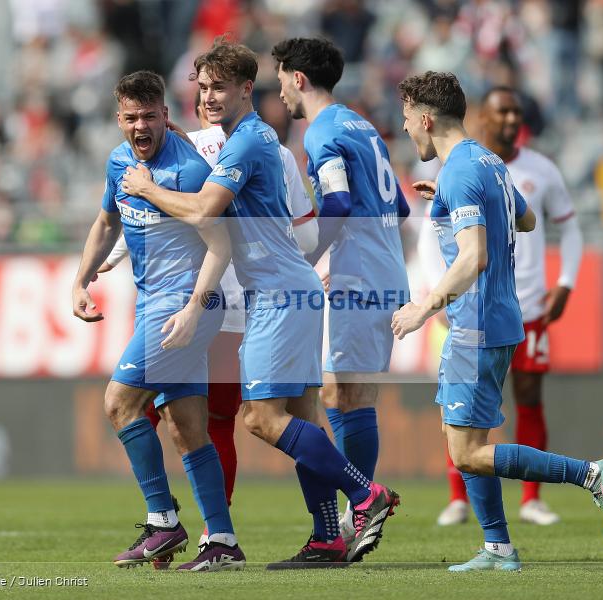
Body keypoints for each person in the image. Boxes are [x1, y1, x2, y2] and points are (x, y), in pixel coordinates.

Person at [120, 37, 400, 569]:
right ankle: (326, 538)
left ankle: (366, 495)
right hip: (292, 288)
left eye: (219, 88)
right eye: (202, 88)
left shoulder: (248, 141)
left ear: (248, 89)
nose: (208, 97)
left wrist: (146, 188)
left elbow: (205, 209)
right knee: (302, 420)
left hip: (275, 294)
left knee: (259, 419)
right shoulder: (250, 139)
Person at [392, 71, 603, 572]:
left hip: (474, 322)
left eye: (409, 121)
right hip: (498, 319)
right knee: (465, 441)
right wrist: (449, 198)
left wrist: (423, 306)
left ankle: (592, 475)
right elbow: (526, 220)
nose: (409, 131)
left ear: (428, 119)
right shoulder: (489, 163)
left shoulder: (462, 171)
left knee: (467, 452)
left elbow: (473, 255)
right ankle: (497, 548)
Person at [99, 91, 319, 562]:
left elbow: (175, 215)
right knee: (199, 423)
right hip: (254, 305)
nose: (207, 102)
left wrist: (109, 260)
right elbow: (307, 233)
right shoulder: (274, 150)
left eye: (210, 91)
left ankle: (172, 524)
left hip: (211, 301)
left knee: (179, 416)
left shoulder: (194, 149)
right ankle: (222, 536)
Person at [71, 70, 244, 572]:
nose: (140, 125)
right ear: (118, 119)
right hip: (155, 305)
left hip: (183, 306)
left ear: (166, 116)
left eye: (150, 115)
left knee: (120, 404)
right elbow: (107, 222)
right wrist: (80, 281)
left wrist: (194, 308)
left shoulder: (188, 171)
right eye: (131, 117)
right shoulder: (120, 161)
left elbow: (221, 244)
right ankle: (224, 542)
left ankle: (163, 522)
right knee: (187, 428)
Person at [272, 37, 410, 541]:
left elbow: (338, 203)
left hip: (359, 277)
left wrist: (306, 260)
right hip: (384, 269)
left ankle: (360, 512)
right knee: (349, 395)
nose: (279, 88)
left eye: (281, 77)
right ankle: (359, 514)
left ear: (298, 78)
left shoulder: (321, 131)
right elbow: (399, 208)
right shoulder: (362, 125)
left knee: (337, 394)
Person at [436, 86, 585, 527]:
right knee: (464, 413)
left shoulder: (535, 169)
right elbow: (443, 236)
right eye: (503, 111)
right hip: (479, 302)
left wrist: (567, 283)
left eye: (517, 111)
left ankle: (532, 500)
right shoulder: (478, 166)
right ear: (483, 114)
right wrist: (439, 291)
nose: (511, 119)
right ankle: (463, 504)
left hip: (525, 302)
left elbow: (568, 228)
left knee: (515, 399)